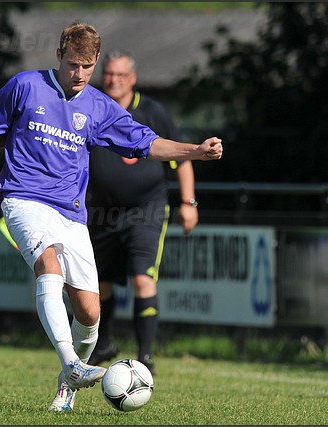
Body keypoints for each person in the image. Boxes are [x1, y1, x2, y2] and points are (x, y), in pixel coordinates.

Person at [0, 22, 222, 413]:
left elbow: (148, 142)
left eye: (87, 67)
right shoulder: (25, 86)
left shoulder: (98, 105)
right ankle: (72, 363)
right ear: (59, 55)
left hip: (71, 213)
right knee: (48, 266)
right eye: (73, 64)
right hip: (23, 199)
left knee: (90, 312)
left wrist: (195, 150)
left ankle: (65, 389)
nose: (79, 74)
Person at [86, 50, 199, 375]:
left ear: (132, 79)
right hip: (102, 211)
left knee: (141, 278)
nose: (113, 80)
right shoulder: (91, 106)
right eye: (108, 74)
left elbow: (182, 157)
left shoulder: (151, 111)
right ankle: (104, 344)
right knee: (100, 283)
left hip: (145, 209)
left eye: (120, 76)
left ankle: (145, 355)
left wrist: (189, 204)